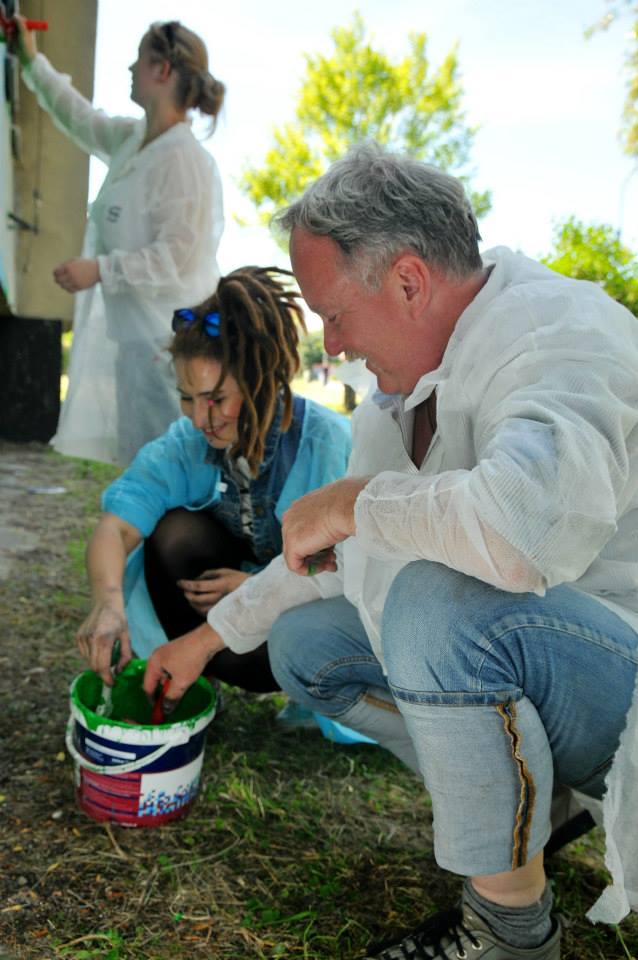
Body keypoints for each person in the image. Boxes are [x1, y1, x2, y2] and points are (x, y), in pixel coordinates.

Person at [144, 143, 638, 958]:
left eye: (335, 313)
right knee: (305, 645)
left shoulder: (560, 335)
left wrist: (356, 502)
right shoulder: (399, 393)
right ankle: (534, 810)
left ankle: (509, 934)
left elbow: (519, 534)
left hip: (620, 680)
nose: (331, 344)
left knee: (437, 603)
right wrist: (203, 642)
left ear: (408, 281)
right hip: (552, 662)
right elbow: (345, 555)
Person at [77, 265, 352, 698]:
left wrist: (257, 590)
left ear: (263, 382)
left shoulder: (327, 444)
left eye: (216, 398)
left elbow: (348, 574)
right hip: (225, 621)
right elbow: (117, 527)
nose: (199, 418)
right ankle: (192, 681)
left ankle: (306, 697)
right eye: (187, 398)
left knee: (303, 624)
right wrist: (108, 603)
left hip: (298, 624)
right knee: (172, 532)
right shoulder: (185, 443)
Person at [15, 17, 225, 464]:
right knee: (142, 465)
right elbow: (80, 118)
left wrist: (100, 269)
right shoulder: (134, 140)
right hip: (136, 343)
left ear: (162, 70)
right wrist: (32, 61)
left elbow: (176, 258)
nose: (130, 68)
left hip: (170, 348)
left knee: (171, 469)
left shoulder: (184, 161)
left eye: (139, 59)